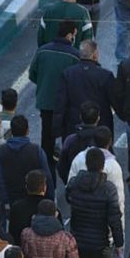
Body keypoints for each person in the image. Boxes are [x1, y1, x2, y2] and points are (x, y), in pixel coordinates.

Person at [66, 148, 124, 258]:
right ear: (102, 165)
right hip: (100, 241)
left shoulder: (74, 184)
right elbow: (114, 218)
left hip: (78, 239)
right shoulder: (108, 189)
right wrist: (119, 243)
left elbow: (68, 197)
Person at [29, 20, 81, 177]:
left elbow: (32, 75)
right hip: (66, 105)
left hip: (45, 102)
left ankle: (47, 174)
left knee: (47, 139)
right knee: (68, 138)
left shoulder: (42, 51)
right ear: (69, 35)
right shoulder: (75, 55)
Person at [56, 40, 115, 138]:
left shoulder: (68, 74)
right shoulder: (105, 75)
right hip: (101, 129)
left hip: (74, 128)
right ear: (95, 54)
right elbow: (115, 100)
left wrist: (57, 128)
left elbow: (60, 103)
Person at [0, 115, 54, 212]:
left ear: (11, 131)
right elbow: (47, 177)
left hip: (12, 200)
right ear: (27, 130)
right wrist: (50, 201)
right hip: (35, 202)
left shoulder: (2, 151)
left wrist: (5, 201)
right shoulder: (36, 151)